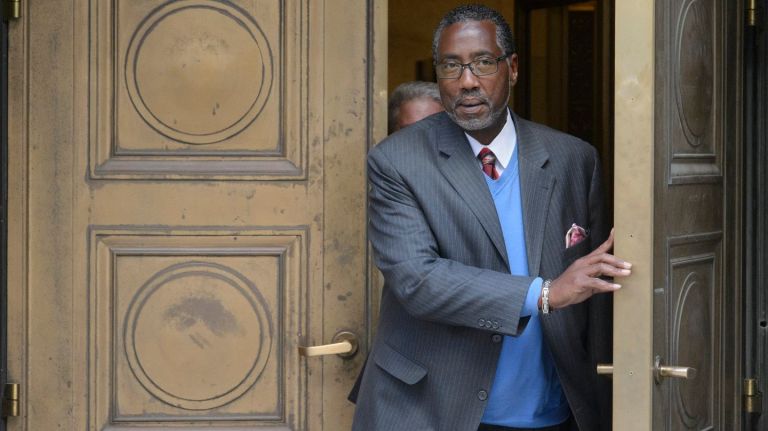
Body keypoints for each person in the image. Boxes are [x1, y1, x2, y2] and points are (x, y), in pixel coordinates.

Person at [351, 5, 631, 431]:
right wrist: (545, 293)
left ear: (512, 69)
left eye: (483, 62)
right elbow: (418, 280)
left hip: (554, 412)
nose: (467, 81)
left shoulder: (575, 159)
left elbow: (596, 299)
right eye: (451, 66)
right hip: (432, 410)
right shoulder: (397, 161)